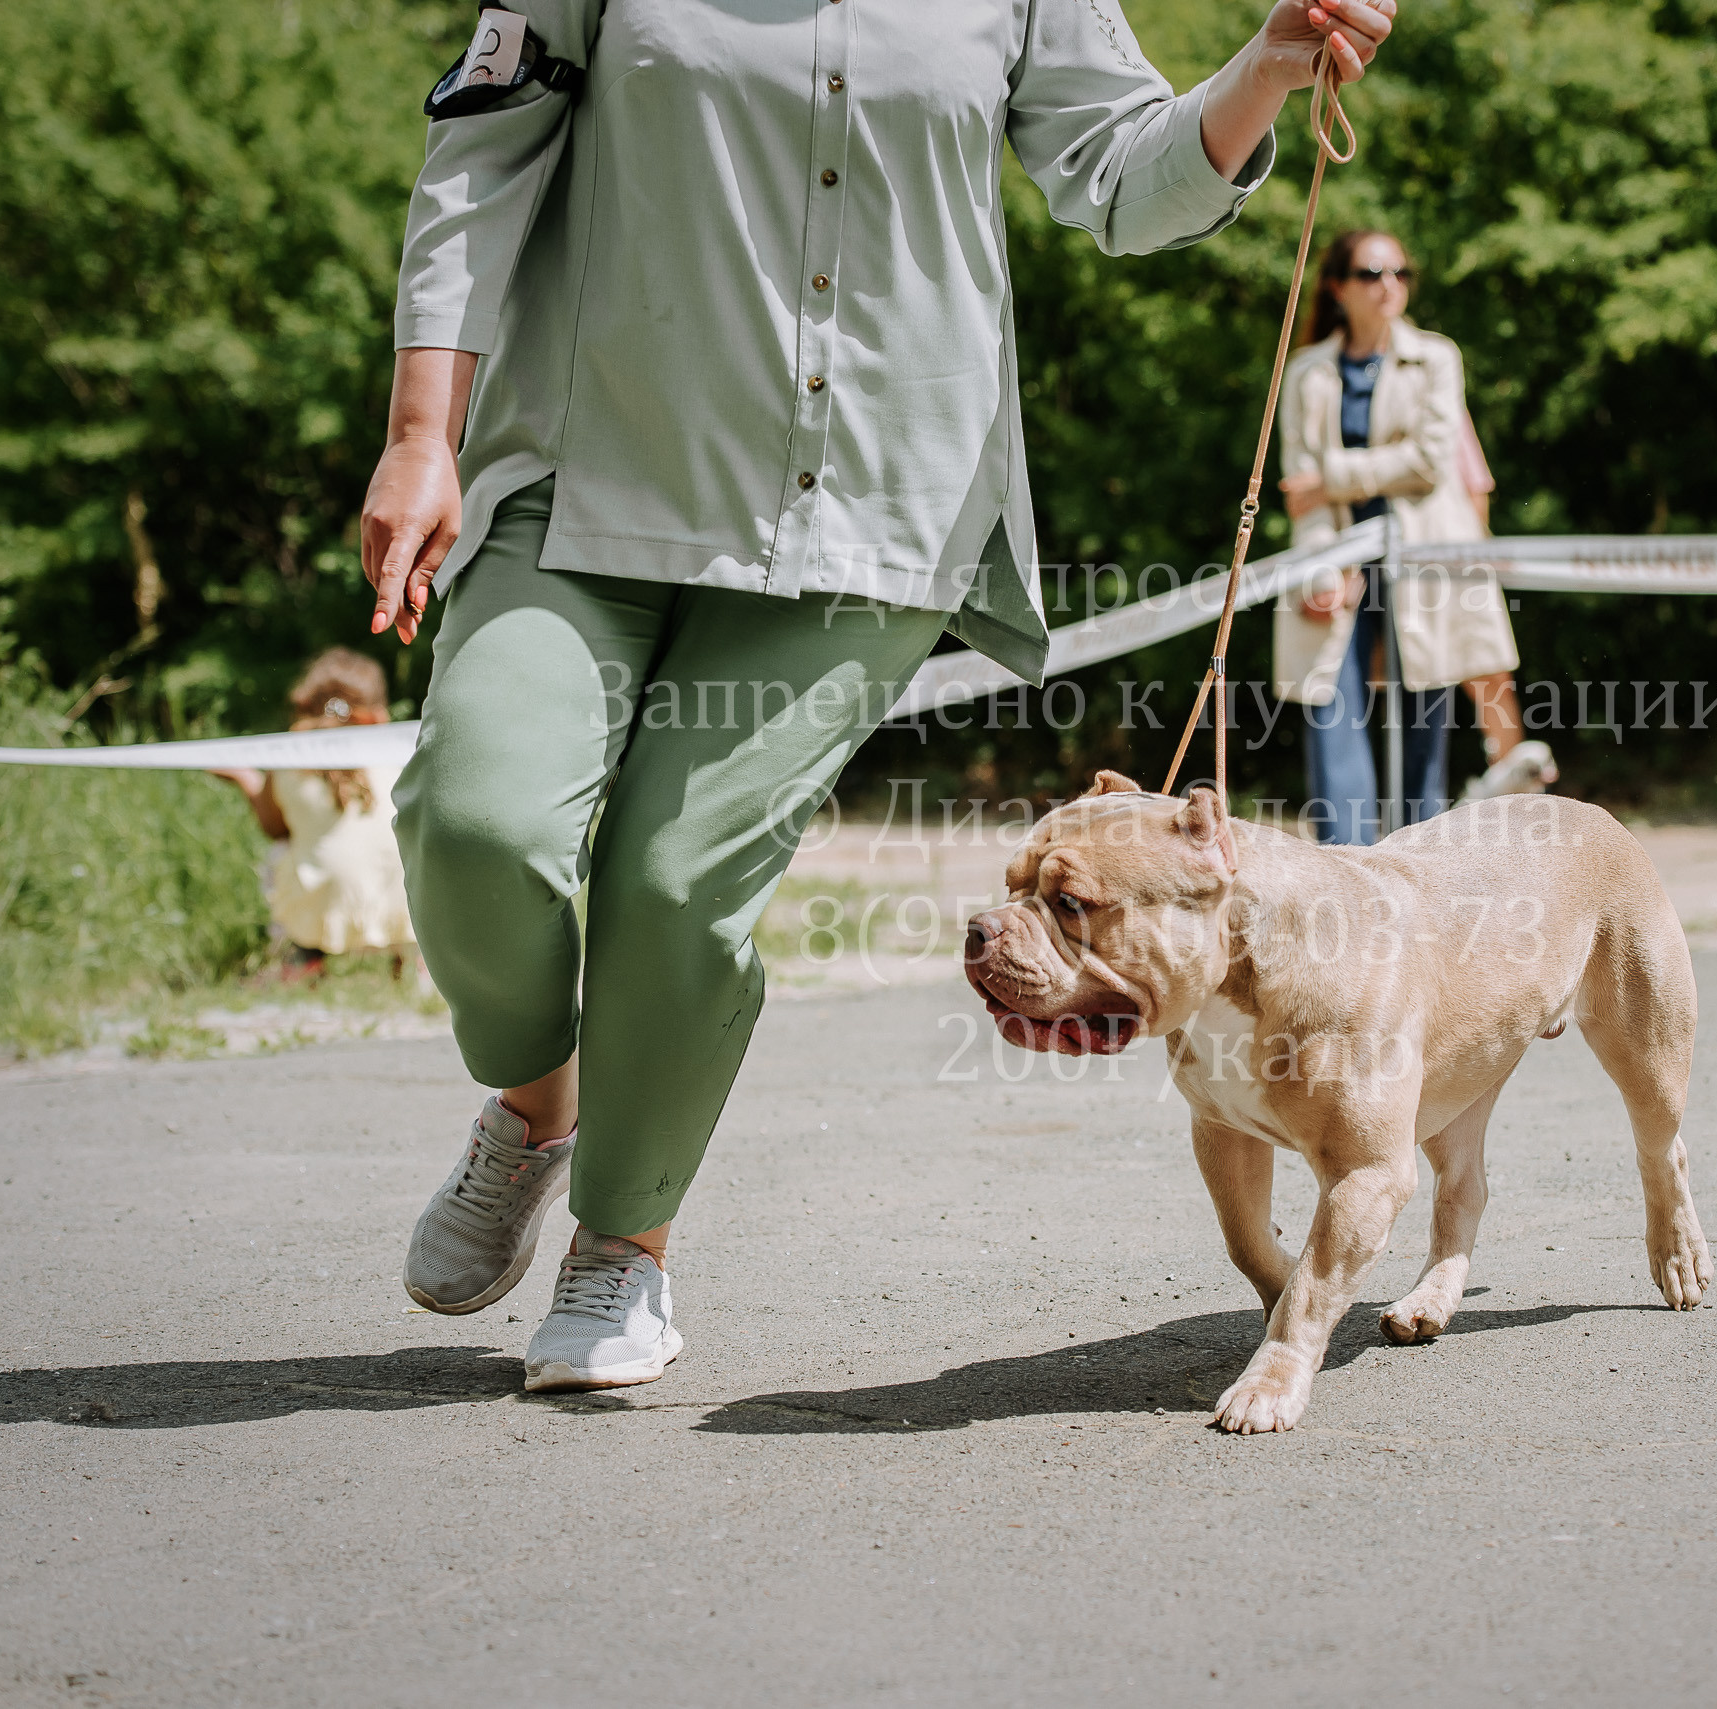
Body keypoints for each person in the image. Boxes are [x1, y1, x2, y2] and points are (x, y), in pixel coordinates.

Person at [360, 0, 1397, 1391]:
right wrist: (425, 430)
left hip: (871, 512)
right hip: (586, 466)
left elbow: (1128, 179)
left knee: (678, 878)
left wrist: (1266, 69)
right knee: (479, 822)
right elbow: (483, 151)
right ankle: (543, 1098)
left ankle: (624, 1247)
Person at [1274, 228, 1519, 844]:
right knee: (1332, 707)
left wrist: (1332, 477)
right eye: (1372, 274)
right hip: (1339, 558)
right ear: (1337, 287)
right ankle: (1345, 866)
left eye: (1400, 274)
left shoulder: (1437, 357)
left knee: (1423, 714)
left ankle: (1421, 864)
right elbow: (1298, 492)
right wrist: (1318, 572)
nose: (1390, 287)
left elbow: (1429, 464)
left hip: (1423, 558)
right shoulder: (1305, 372)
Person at [207, 648, 417, 984]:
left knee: (280, 854)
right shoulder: (396, 755)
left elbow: (274, 829)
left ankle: (303, 956)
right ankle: (407, 962)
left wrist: (247, 780)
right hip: (405, 912)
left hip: (329, 911)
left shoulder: (290, 760)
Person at [1448, 407, 1559, 803]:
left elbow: (1475, 486)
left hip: (1456, 554)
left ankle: (1512, 802)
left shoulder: (1437, 376)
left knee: (1491, 677)